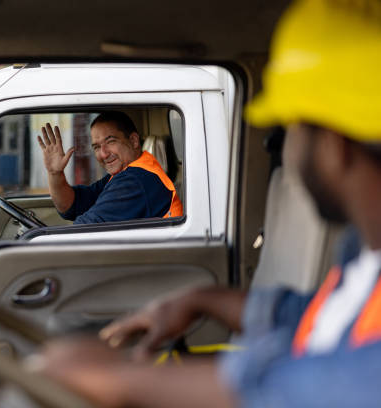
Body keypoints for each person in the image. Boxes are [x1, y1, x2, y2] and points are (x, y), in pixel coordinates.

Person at [33, 1, 381, 406]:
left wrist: (121, 379)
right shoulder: (363, 255)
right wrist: (200, 299)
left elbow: (331, 388)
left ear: (334, 147)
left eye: (291, 129)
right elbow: (315, 318)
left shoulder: (138, 181)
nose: (282, 151)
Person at [36, 111, 182, 224]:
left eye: (111, 141)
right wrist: (55, 173)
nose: (104, 154)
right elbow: (71, 206)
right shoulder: (124, 174)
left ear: (133, 140)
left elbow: (85, 230)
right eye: (97, 147)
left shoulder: (136, 180)